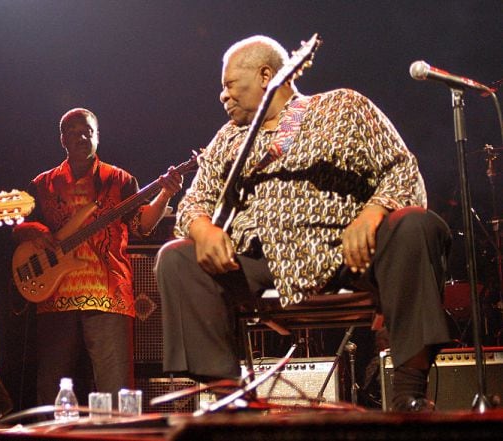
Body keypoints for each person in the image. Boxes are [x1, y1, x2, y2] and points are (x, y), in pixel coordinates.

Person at [155, 36, 452, 412]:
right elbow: (194, 202)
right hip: (260, 259)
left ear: (266, 75)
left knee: (415, 225)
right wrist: (203, 229)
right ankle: (231, 399)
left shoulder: (342, 106)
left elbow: (403, 172)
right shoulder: (228, 139)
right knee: (177, 258)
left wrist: (372, 212)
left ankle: (408, 393)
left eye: (229, 84)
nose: (222, 96)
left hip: (348, 253)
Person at [12, 108, 183, 407]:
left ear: (97, 136)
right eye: (75, 131)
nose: (83, 136)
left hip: (108, 293)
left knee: (117, 391)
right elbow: (18, 226)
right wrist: (33, 230)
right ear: (62, 138)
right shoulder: (42, 184)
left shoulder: (120, 180)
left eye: (89, 131)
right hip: (54, 294)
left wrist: (165, 194)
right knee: (50, 389)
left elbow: (142, 226)